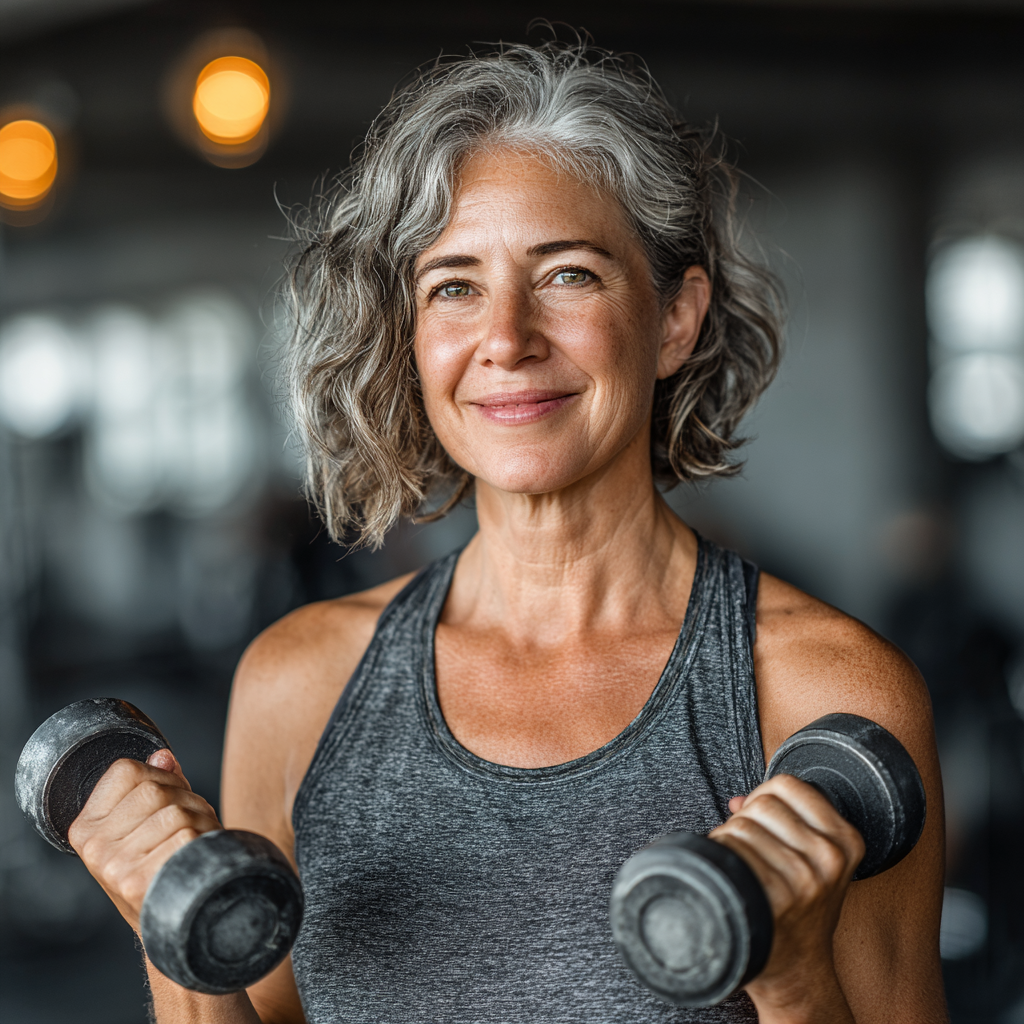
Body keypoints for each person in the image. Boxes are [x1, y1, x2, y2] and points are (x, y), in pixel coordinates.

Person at [68, 40, 946, 1024]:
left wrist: (791, 978)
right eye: (453, 286)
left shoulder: (824, 693)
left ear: (674, 318)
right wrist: (170, 927)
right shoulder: (298, 683)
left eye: (567, 274)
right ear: (409, 336)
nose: (506, 338)